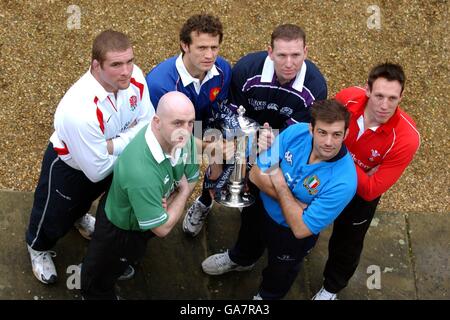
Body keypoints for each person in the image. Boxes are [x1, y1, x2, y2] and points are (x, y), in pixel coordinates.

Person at [25, 30, 154, 284]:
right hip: (68, 169)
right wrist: (131, 144)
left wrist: (112, 144)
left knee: (87, 200)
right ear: (96, 65)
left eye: (129, 61)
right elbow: (96, 170)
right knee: (52, 213)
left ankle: (78, 216)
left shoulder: (135, 78)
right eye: (116, 64)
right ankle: (38, 247)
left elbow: (147, 121)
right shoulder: (79, 109)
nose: (127, 71)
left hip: (109, 160)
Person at [201, 100, 357, 300]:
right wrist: (299, 206)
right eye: (322, 132)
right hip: (260, 207)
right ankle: (240, 260)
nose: (328, 142)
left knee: (280, 272)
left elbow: (301, 228)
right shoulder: (297, 132)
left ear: (346, 134)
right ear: (311, 129)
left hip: (289, 234)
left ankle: (266, 297)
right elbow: (256, 174)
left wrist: (279, 181)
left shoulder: (345, 181)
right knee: (248, 238)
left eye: (337, 134)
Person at [184, 23, 328, 237]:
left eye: (296, 55)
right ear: (270, 52)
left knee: (261, 181)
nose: (289, 63)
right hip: (240, 133)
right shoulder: (246, 69)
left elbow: (296, 136)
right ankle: (205, 200)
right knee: (219, 160)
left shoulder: (315, 88)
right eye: (281, 55)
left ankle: (249, 218)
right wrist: (242, 146)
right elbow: (228, 115)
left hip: (277, 141)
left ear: (306, 52)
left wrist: (264, 149)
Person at [312, 63, 421, 300]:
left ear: (401, 97)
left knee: (347, 243)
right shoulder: (348, 99)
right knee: (306, 212)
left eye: (392, 98)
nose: (384, 105)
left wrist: (336, 152)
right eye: (379, 95)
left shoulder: (407, 138)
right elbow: (321, 130)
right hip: (325, 174)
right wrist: (356, 165)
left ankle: (331, 289)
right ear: (367, 90)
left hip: (358, 199)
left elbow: (371, 190)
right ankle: (305, 243)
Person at [80, 91, 199, 300]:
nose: (186, 131)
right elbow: (162, 228)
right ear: (157, 122)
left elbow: (192, 177)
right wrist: (180, 194)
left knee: (128, 256)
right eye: (178, 123)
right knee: (99, 274)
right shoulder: (141, 171)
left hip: (142, 218)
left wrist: (168, 202)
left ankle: (121, 265)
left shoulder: (182, 139)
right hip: (121, 229)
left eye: (191, 123)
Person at [145, 13, 233, 237]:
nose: (210, 55)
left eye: (214, 47)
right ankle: (151, 217)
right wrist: (205, 148)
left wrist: (216, 155)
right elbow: (166, 135)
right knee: (172, 180)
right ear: (185, 45)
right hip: (168, 136)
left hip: (201, 125)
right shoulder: (160, 84)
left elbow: (217, 112)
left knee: (220, 165)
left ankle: (204, 202)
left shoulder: (223, 70)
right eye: (202, 48)